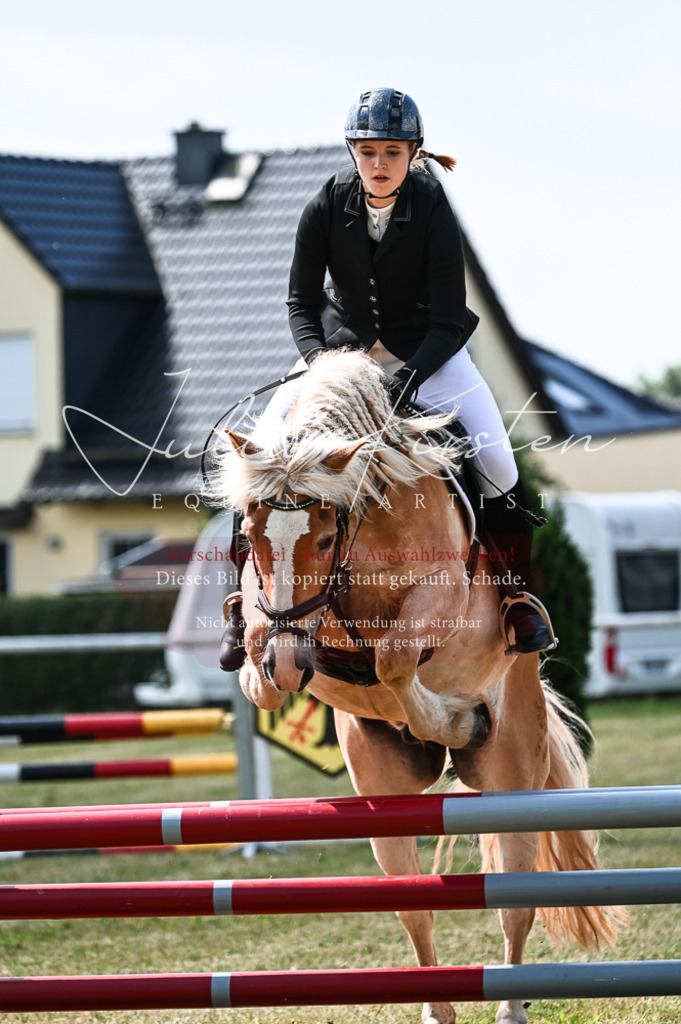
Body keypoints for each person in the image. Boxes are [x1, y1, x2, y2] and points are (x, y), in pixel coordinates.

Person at [219, 87, 555, 672]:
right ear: (353, 151)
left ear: (414, 153)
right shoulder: (326, 203)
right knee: (262, 456)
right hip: (338, 358)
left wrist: (406, 382)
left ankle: (516, 595)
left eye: (392, 152)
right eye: (368, 150)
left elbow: (450, 317)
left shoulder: (431, 205)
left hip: (431, 353)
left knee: (499, 463)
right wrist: (323, 365)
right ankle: (237, 602)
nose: (379, 164)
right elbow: (300, 301)